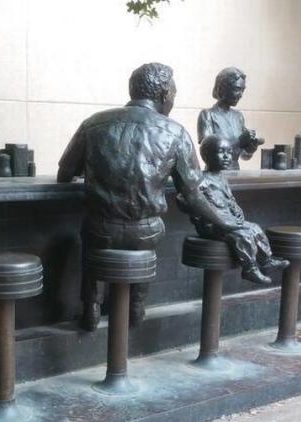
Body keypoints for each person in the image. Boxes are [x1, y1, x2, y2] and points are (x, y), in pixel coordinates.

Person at [58, 62, 234, 331]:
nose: (173, 100)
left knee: (93, 236)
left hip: (100, 228)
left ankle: (91, 307)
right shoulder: (175, 133)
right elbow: (193, 195)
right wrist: (225, 222)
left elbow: (64, 172)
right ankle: (136, 307)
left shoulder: (93, 124)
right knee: (148, 237)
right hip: (145, 231)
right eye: (173, 94)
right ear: (164, 94)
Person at [178, 135, 287, 284]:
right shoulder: (200, 180)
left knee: (255, 228)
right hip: (211, 226)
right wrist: (200, 215)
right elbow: (185, 200)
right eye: (221, 152)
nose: (226, 156)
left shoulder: (221, 178)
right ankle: (250, 269)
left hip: (229, 221)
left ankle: (266, 260)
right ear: (206, 155)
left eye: (229, 152)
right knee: (243, 236)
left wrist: (237, 211)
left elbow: (230, 200)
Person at [196, 67, 264, 170]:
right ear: (223, 88)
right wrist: (239, 141)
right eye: (237, 89)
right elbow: (208, 152)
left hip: (236, 174)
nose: (240, 95)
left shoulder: (238, 117)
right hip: (215, 174)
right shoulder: (207, 115)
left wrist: (251, 148)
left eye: (242, 90)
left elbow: (243, 156)